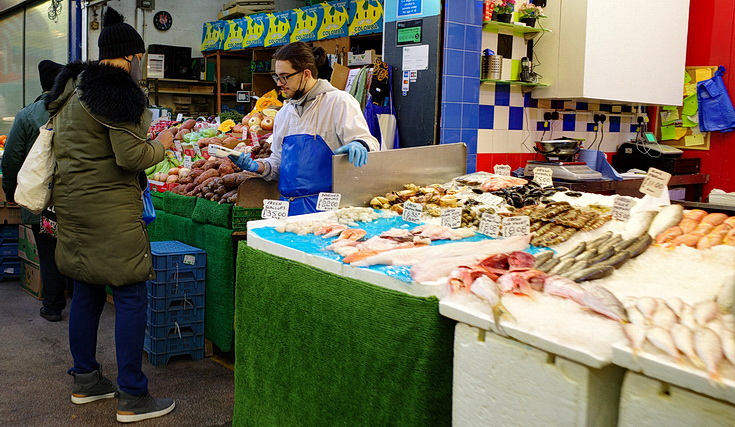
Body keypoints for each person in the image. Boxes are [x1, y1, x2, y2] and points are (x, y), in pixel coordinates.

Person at [44, 7, 176, 423]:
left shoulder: (71, 90)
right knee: (131, 294)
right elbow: (131, 156)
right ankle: (133, 397)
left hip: (73, 209)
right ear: (133, 57)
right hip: (111, 215)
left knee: (86, 292)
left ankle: (86, 381)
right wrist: (165, 142)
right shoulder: (116, 92)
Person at [229, 41, 379, 215]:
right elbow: (278, 161)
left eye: (285, 77)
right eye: (277, 77)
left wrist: (361, 144)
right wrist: (257, 166)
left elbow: (369, 141)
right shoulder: (285, 113)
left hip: (328, 209)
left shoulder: (338, 102)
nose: (279, 83)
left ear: (306, 74)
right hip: (288, 207)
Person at [2, 60, 74, 323]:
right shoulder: (76, 111)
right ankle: (80, 304)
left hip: (42, 202)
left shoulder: (27, 115)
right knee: (75, 249)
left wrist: (11, 193)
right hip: (74, 198)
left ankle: (53, 306)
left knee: (49, 251)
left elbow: (10, 160)